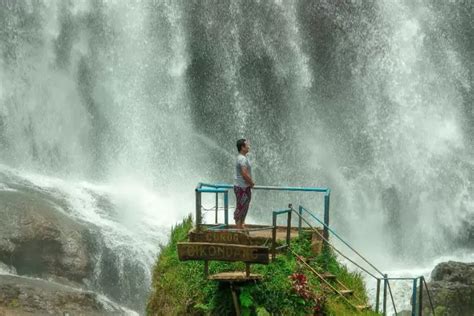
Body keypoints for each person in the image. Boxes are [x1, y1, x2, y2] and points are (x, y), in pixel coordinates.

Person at [234, 139, 255, 230]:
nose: (248, 146)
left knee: (244, 206)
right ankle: (239, 229)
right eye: (247, 145)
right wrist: (251, 183)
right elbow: (244, 173)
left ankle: (241, 226)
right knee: (241, 207)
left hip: (243, 187)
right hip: (242, 187)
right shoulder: (242, 159)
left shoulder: (242, 157)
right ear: (242, 147)